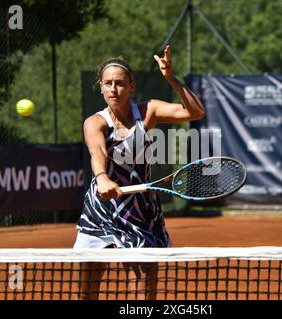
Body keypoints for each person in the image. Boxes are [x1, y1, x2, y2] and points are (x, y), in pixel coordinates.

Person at [73, 45, 206, 299]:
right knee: (87, 291)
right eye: (108, 83)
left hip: (141, 213)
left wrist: (171, 79)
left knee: (143, 295)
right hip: (100, 209)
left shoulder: (149, 111)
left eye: (120, 83)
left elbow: (195, 111)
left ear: (131, 87)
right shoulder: (96, 122)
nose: (114, 89)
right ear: (100, 87)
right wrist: (102, 178)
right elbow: (97, 152)